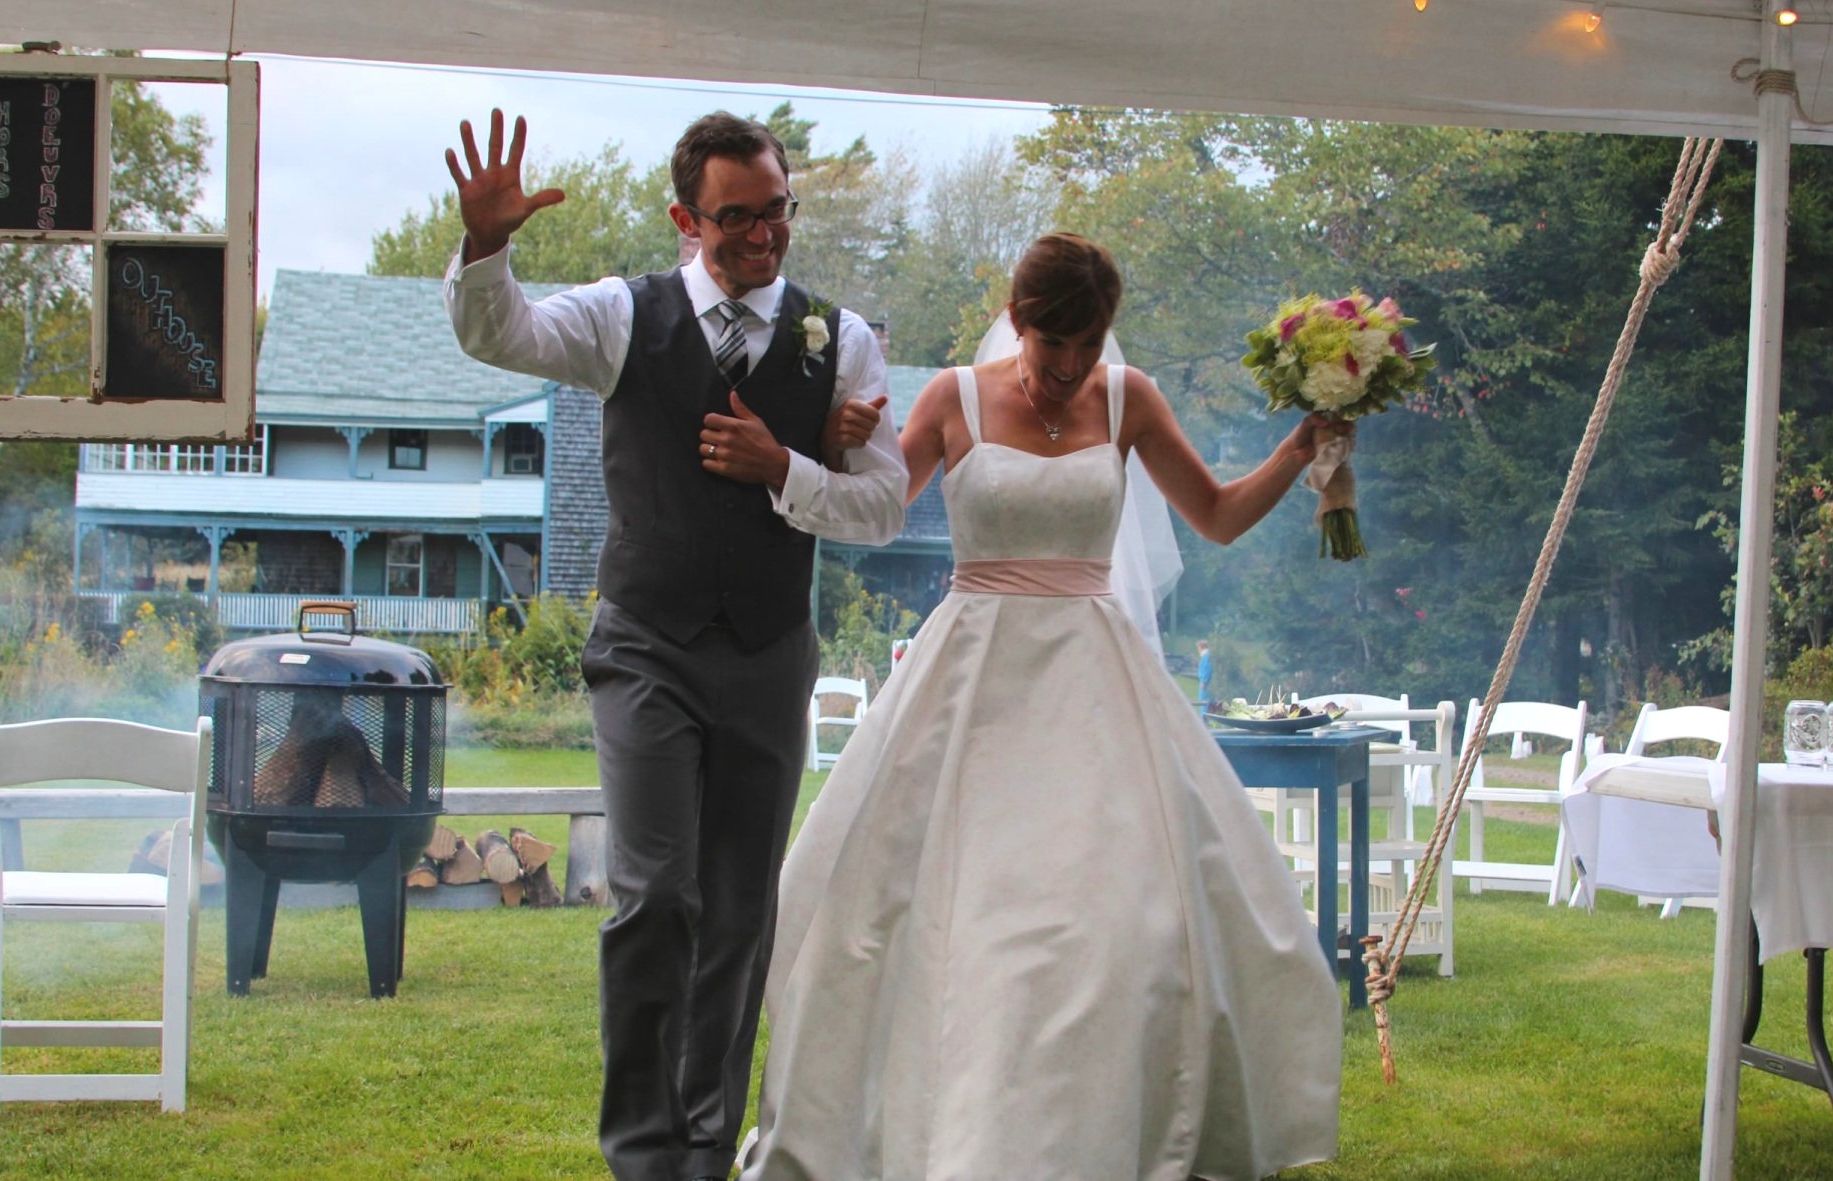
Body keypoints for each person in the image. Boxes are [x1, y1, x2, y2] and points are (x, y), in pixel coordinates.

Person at [741, 233, 1347, 1180]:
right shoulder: (952, 398)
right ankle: (945, 1129)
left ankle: (1094, 1125)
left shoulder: (1128, 395)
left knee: (1114, 918)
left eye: (1087, 345)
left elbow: (1219, 515)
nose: (1069, 368)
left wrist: (1297, 449)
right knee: (945, 910)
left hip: (1097, 684)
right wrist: (827, 449)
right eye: (1051, 344)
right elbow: (880, 510)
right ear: (1017, 322)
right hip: (971, 678)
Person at [441, 109, 907, 1181]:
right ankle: (646, 1153)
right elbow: (498, 332)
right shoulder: (621, 314)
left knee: (741, 911)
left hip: (768, 652)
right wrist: (487, 247)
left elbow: (883, 505)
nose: (763, 235)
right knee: (657, 895)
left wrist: (783, 465)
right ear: (684, 218)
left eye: (776, 211)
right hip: (647, 645)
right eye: (736, 217)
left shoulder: (840, 341)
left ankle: (706, 1148)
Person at [1197, 637, 1215, 706]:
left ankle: (1204, 716)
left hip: (1206, 684)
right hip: (1205, 683)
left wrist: (1204, 682)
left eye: (1198, 647)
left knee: (1205, 702)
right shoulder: (1206, 656)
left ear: (1201, 647)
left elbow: (1207, 669)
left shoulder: (1206, 656)